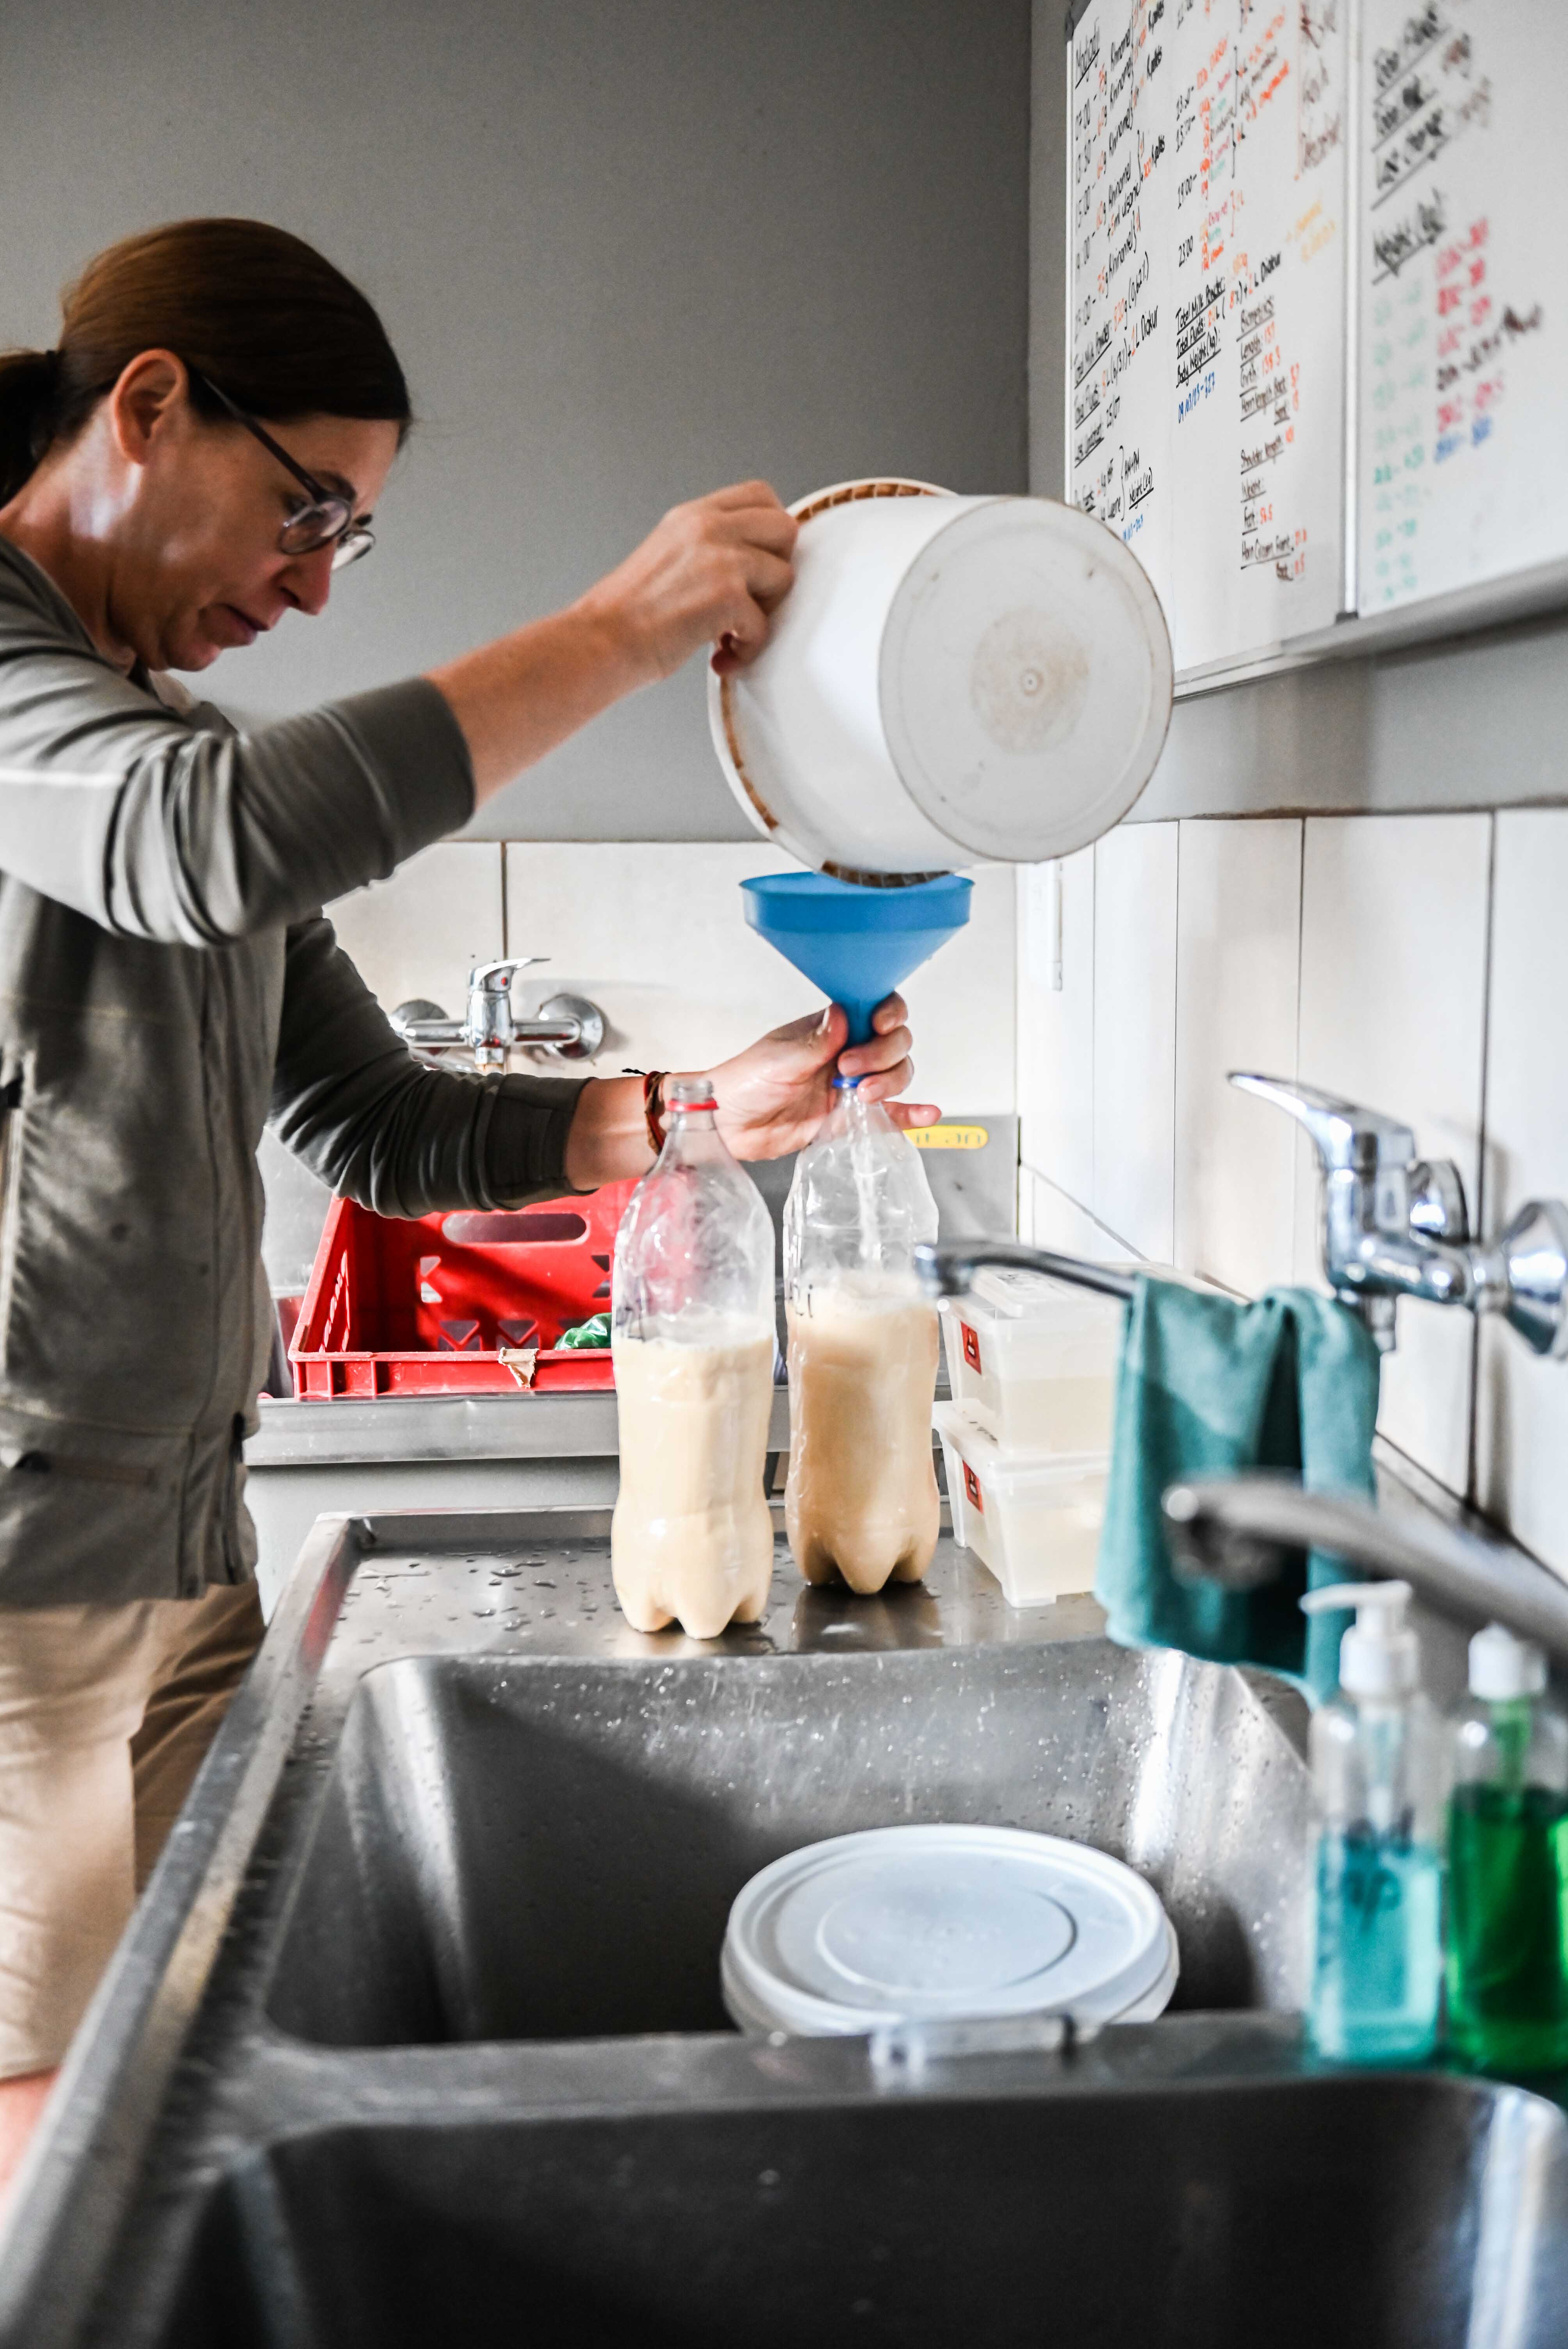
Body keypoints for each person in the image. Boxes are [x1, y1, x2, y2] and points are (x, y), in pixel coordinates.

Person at [0, 216, 937, 2197]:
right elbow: (209, 845)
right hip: (20, 1586)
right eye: (308, 506)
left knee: (163, 2086)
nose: (319, 579)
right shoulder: (95, 749)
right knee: (49, 2134)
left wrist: (698, 1110)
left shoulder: (167, 747)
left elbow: (373, 1118)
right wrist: (622, 625)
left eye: (356, 535)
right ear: (152, 407)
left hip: (169, 1551)